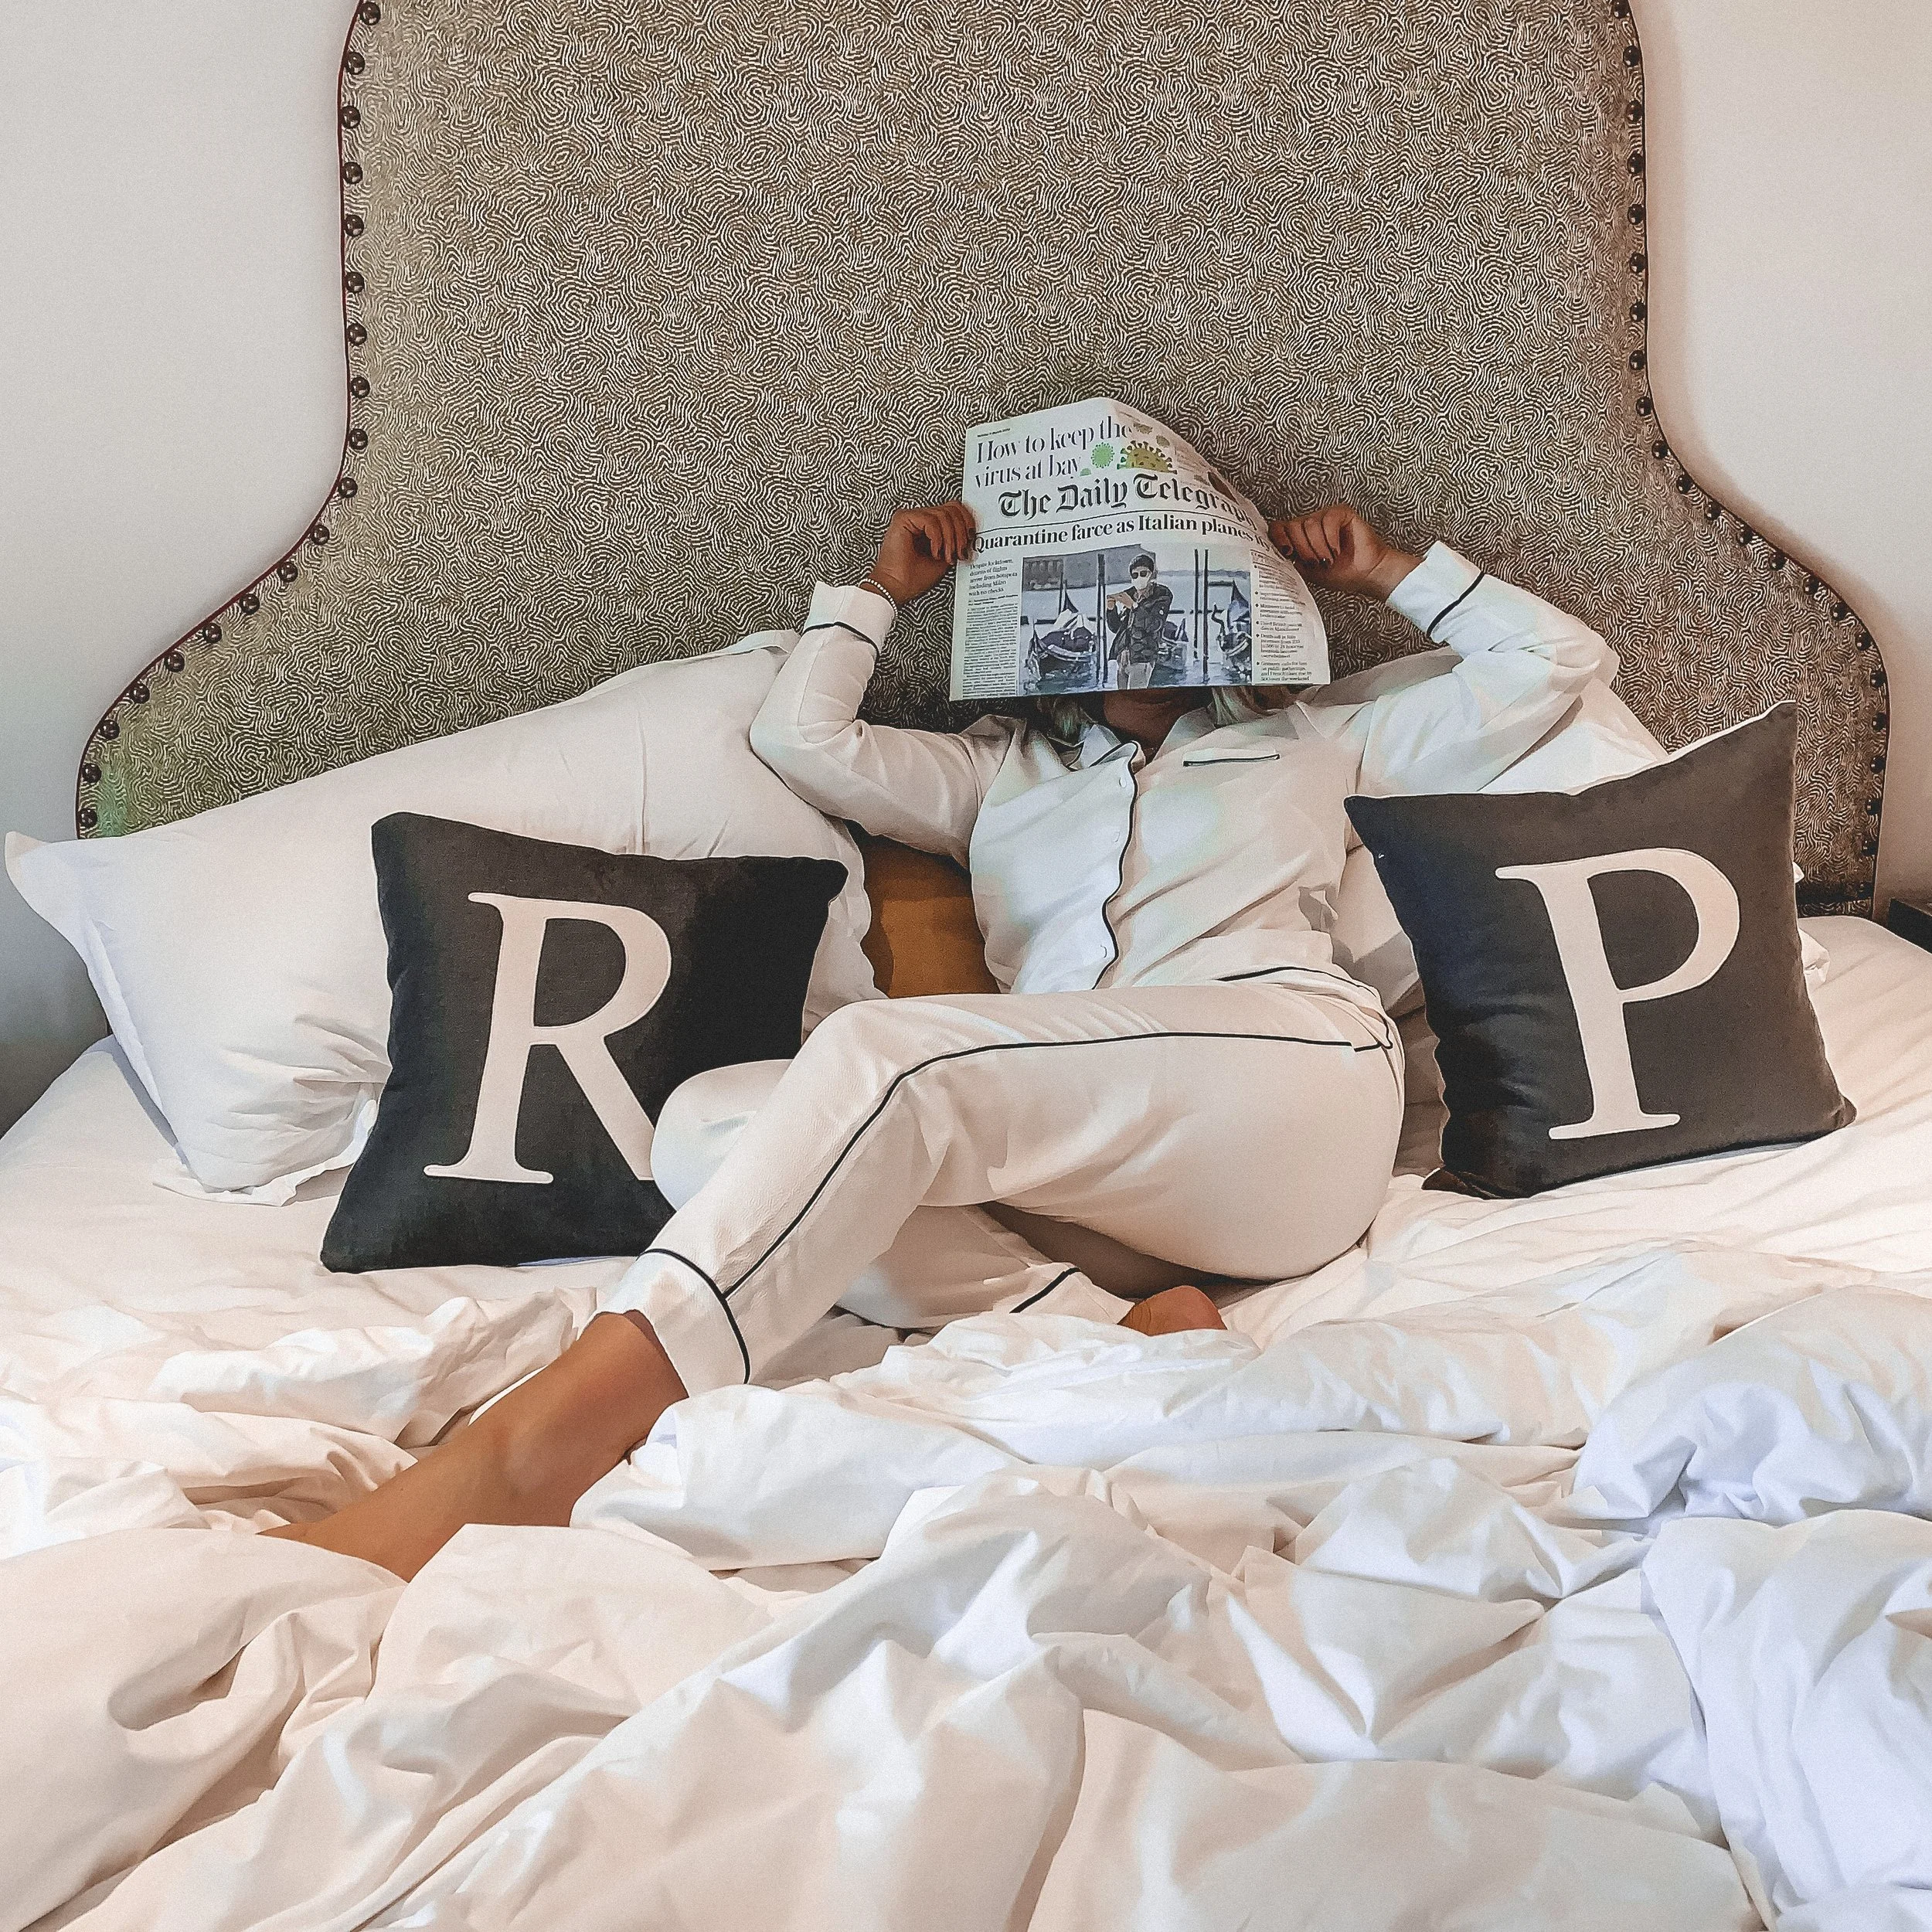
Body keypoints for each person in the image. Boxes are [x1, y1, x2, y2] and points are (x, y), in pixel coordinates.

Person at [273, 500, 1621, 1579]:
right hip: (1064, 1167)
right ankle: (1112, 1321)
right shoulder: (997, 776)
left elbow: (1556, 669)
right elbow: (798, 736)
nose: (1119, 609)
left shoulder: (1315, 738)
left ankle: (538, 1447)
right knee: (717, 1127)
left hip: (1280, 1093)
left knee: (882, 1062)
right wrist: (883, 590)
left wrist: (1388, 567)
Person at [1104, 553, 1173, 686]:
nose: (1139, 577)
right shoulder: (1130, 594)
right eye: (1135, 575)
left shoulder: (1161, 595)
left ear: (1151, 574)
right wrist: (1111, 610)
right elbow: (1117, 628)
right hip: (1123, 657)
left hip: (1143, 657)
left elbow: (1154, 624)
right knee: (1122, 697)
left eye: (1143, 573)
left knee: (1135, 695)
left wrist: (1134, 606)